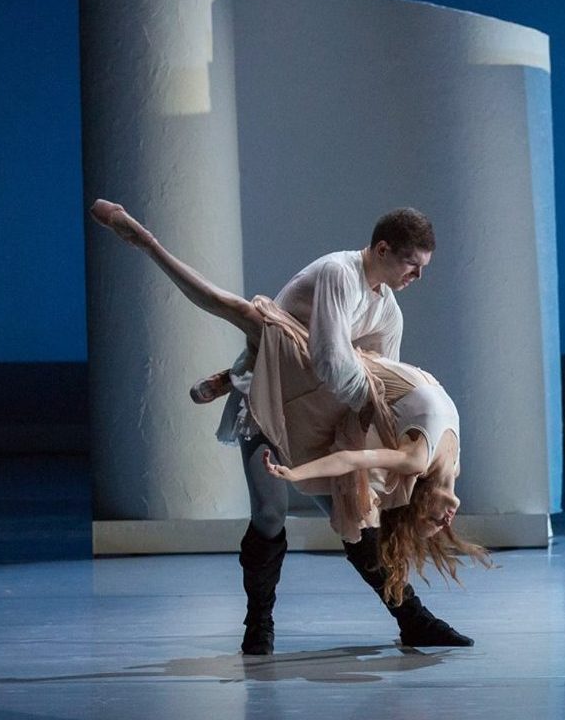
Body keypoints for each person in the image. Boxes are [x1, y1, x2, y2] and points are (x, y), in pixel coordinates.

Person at [89, 200, 488, 655]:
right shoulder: (341, 273)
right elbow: (332, 363)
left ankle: (411, 617)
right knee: (270, 513)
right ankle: (258, 623)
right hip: (270, 402)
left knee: (356, 516)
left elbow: (378, 377)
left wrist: (378, 439)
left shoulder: (388, 313)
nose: (416, 278)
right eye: (411, 265)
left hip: (317, 417)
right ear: (382, 249)